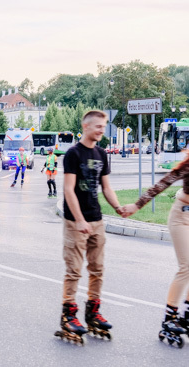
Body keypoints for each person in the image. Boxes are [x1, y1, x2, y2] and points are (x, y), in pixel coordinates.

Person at [56, 110, 123, 344]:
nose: (102, 131)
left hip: (96, 218)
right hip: (76, 221)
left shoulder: (102, 153)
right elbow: (68, 189)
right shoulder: (73, 154)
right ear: (85, 126)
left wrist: (118, 208)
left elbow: (106, 187)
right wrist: (79, 220)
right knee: (74, 269)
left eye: (104, 127)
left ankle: (93, 311)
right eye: (98, 127)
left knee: (98, 269)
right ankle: (68, 315)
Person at [121, 150, 189, 346]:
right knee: (186, 267)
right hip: (181, 218)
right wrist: (137, 205)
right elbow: (163, 183)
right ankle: (170, 317)